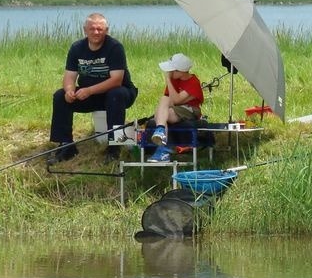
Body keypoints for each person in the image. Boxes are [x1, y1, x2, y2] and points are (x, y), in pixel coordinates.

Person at [48, 12, 138, 164]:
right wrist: (69, 90)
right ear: (85, 30)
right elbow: (70, 76)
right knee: (60, 96)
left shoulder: (115, 47)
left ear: (106, 30)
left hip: (120, 94)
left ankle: (114, 146)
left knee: (115, 94)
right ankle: (66, 144)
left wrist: (89, 90)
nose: (96, 32)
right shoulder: (77, 48)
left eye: (100, 29)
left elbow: (116, 80)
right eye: (92, 29)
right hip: (89, 95)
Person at [147, 53, 204, 163]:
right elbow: (168, 101)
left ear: (181, 72)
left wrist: (168, 80)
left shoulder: (193, 82)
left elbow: (176, 100)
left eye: (172, 70)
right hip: (174, 109)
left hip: (190, 109)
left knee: (162, 112)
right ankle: (161, 144)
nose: (169, 73)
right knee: (163, 105)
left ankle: (161, 139)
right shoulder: (175, 79)